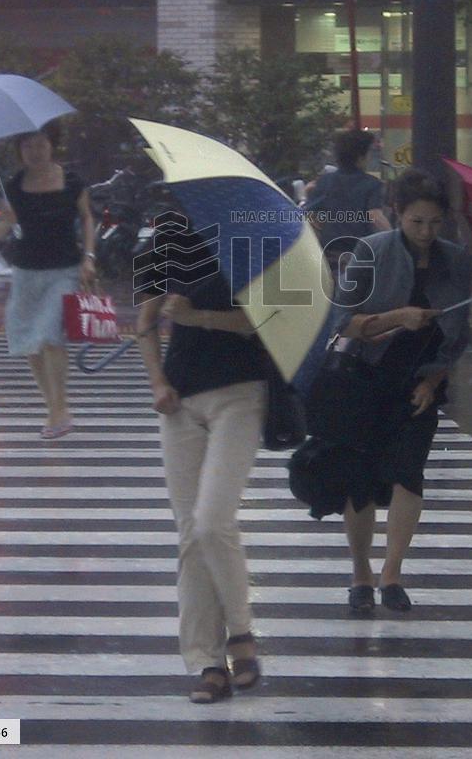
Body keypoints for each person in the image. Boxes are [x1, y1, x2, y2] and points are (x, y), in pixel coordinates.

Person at [135, 217, 267, 704]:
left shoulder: (255, 243)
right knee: (190, 536)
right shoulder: (165, 241)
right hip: (180, 400)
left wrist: (196, 318)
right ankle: (208, 663)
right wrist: (156, 382)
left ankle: (242, 634)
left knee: (213, 521)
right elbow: (145, 323)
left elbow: (263, 321)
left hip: (240, 395)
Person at [329, 167, 471, 613]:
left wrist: (433, 380)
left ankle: (392, 574)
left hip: (418, 383)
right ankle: (360, 573)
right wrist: (397, 317)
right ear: (398, 213)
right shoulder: (370, 252)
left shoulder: (455, 260)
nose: (426, 232)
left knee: (408, 474)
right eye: (416, 222)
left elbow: (458, 336)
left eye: (434, 223)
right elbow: (341, 321)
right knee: (363, 483)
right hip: (366, 378)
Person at [0, 121, 96, 439]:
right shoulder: (13, 186)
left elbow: (87, 216)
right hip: (26, 273)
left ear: (51, 145)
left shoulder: (71, 181)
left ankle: (60, 407)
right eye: (27, 146)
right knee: (31, 345)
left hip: (64, 270)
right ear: (20, 151)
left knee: (51, 337)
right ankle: (51, 404)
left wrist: (89, 257)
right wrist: (6, 221)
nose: (35, 151)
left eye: (40, 144)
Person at [304, 130, 391, 275]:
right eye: (369, 152)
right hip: (358, 251)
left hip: (329, 251)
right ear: (360, 157)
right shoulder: (371, 184)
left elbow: (311, 215)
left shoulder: (325, 181)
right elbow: (374, 215)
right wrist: (394, 236)